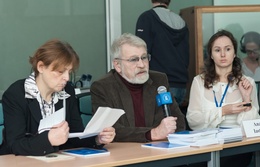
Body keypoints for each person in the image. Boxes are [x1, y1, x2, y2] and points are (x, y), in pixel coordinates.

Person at [1, 39, 115, 156]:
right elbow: (15, 145)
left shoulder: (67, 91)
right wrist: (48, 139)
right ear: (41, 67)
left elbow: (76, 136)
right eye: (60, 72)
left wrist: (97, 139)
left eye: (69, 72)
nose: (66, 78)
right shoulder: (16, 94)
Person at [90, 33, 186, 143]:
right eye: (133, 59)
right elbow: (109, 130)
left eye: (144, 57)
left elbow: (178, 121)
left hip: (159, 148)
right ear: (117, 65)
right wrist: (152, 133)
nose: (141, 64)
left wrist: (161, 131)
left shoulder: (159, 80)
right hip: (124, 154)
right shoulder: (103, 87)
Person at [187, 30, 259, 167]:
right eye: (217, 50)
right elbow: (192, 120)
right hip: (206, 147)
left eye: (228, 49)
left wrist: (246, 98)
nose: (223, 54)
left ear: (234, 53)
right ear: (211, 55)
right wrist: (222, 111)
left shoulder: (248, 83)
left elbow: (253, 129)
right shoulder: (198, 81)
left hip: (238, 149)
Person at [135, 0, 189, 106]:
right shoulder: (181, 21)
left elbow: (140, 52)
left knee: (157, 122)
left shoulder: (147, 18)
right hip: (180, 86)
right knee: (173, 121)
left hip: (158, 86)